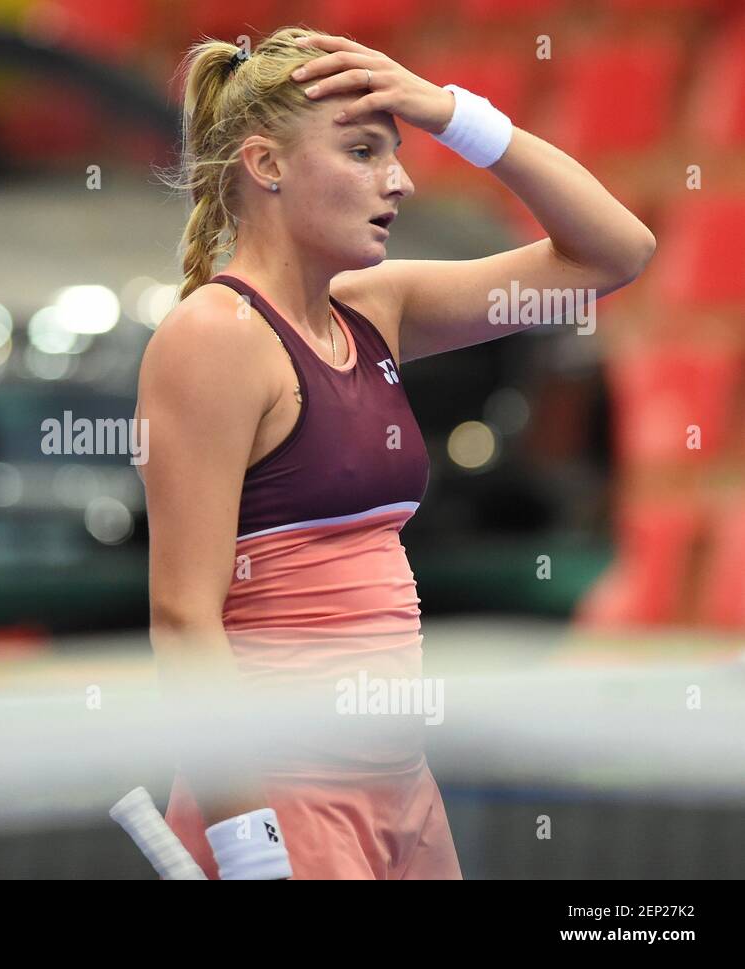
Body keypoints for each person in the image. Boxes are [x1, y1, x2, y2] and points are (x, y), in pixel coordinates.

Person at [135, 26, 656, 879]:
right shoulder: (213, 339)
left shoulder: (374, 309)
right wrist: (246, 840)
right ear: (266, 166)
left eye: (399, 151)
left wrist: (453, 114)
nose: (401, 180)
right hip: (283, 792)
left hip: (398, 786)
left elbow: (614, 252)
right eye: (364, 151)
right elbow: (184, 619)